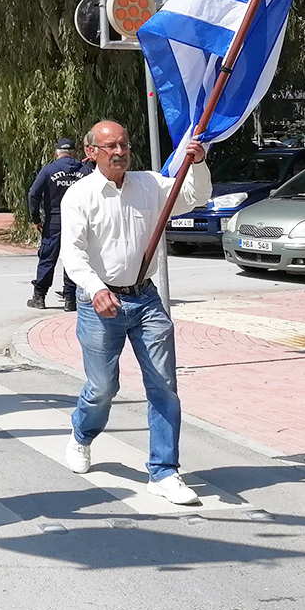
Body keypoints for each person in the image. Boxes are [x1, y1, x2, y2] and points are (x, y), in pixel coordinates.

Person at [59, 119, 211, 506]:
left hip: (145, 300)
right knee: (102, 388)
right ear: (91, 151)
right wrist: (95, 289)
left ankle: (164, 471)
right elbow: (72, 255)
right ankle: (81, 434)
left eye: (124, 145)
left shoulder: (149, 184)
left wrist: (198, 163)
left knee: (163, 385)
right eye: (110, 146)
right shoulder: (79, 196)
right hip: (99, 304)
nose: (119, 152)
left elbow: (195, 196)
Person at [26, 137, 93, 310]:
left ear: (57, 153)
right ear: (74, 153)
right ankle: (70, 299)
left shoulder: (49, 170)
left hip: (54, 220)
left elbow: (33, 193)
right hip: (78, 221)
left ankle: (39, 297)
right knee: (74, 257)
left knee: (48, 258)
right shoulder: (86, 171)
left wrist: (35, 219)